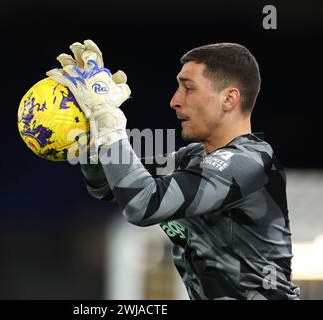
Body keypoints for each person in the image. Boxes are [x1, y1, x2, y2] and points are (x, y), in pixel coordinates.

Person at [47, 40, 300, 300]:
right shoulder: (191, 158)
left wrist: (108, 120)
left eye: (188, 88)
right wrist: (93, 132)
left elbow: (142, 205)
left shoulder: (249, 163)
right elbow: (110, 185)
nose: (174, 101)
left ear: (229, 99)